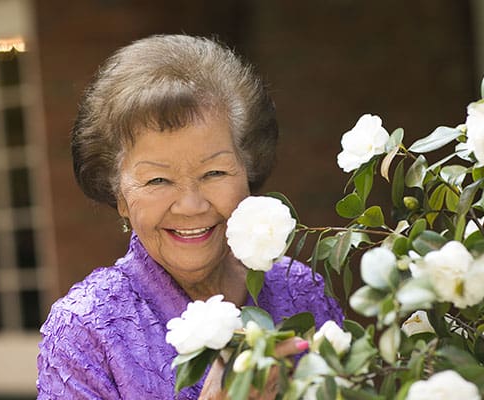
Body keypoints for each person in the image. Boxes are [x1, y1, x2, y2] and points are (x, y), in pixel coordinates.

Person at [36, 34, 342, 400]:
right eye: (158, 180)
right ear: (119, 196)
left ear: (249, 170)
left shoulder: (298, 290)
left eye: (214, 173)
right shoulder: (86, 330)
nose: (191, 205)